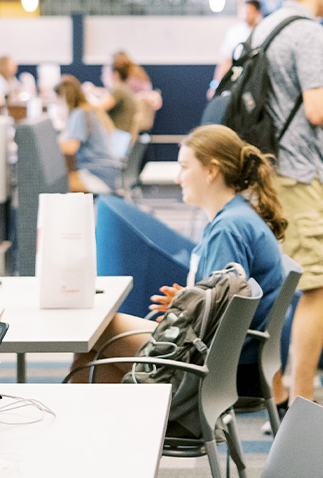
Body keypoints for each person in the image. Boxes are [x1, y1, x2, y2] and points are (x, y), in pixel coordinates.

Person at [69, 125, 285, 396]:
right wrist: (188, 301)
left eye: (184, 166)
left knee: (98, 333)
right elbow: (224, 301)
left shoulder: (227, 230)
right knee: (102, 357)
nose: (177, 177)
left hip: (215, 366)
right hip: (232, 359)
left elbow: (220, 319)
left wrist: (188, 308)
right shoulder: (236, 217)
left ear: (211, 171)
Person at [249, 0, 323, 407]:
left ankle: (277, 384)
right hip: (300, 173)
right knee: (321, 282)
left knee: (281, 282)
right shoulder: (309, 32)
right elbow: (317, 110)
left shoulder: (263, 27)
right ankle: (299, 397)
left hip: (265, 173)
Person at [55, 74, 123, 193]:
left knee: (56, 185)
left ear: (64, 98)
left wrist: (48, 144)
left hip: (99, 175)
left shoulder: (80, 114)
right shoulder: (89, 110)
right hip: (109, 172)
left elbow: (70, 148)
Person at [210, 0, 264, 98]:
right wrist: (215, 85)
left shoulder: (264, 32)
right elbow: (226, 60)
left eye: (250, 12)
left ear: (258, 13)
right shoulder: (234, 32)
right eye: (245, 12)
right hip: (235, 83)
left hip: (257, 84)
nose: (247, 16)